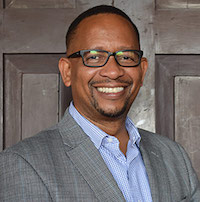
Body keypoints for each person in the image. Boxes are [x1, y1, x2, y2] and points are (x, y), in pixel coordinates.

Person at [0, 5, 199, 202]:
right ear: (67, 71)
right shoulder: (25, 164)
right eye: (94, 57)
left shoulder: (174, 156)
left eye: (126, 57)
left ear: (142, 70)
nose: (113, 71)